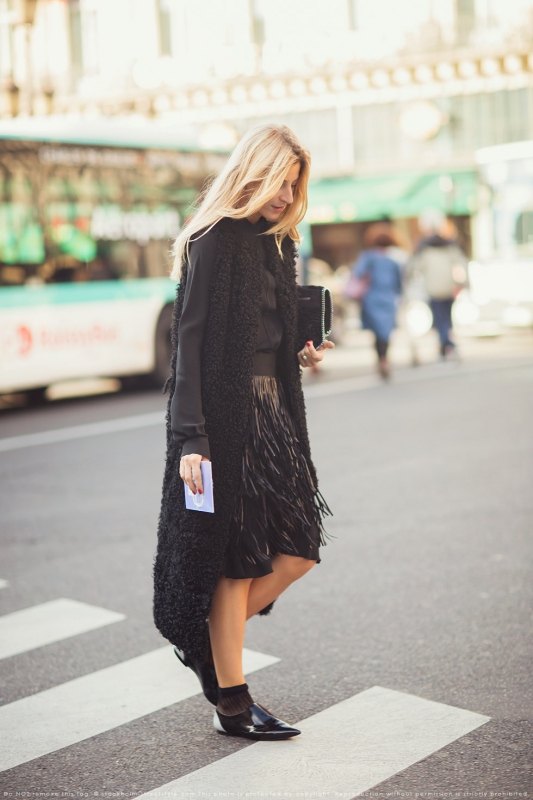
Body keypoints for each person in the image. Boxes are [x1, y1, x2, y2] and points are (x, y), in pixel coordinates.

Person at [153, 124, 334, 742]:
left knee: (298, 550)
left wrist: (300, 350)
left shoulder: (278, 244)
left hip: (274, 414)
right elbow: (189, 344)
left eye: (293, 185)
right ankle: (232, 701)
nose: (285, 195)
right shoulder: (213, 240)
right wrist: (192, 438)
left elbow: (268, 333)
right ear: (251, 171)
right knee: (236, 558)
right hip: (227, 420)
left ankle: (207, 645)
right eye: (278, 180)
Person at [408, 211, 468, 360]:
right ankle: (444, 346)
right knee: (446, 317)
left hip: (433, 288)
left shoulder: (424, 247)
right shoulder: (449, 245)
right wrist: (464, 282)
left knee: (440, 318)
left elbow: (416, 267)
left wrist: (409, 280)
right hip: (448, 286)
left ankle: (447, 345)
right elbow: (462, 262)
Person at [351, 223, 402, 379]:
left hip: (371, 299)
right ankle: (384, 358)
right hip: (388, 299)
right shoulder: (393, 261)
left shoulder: (367, 257)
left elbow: (357, 273)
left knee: (376, 332)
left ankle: (381, 359)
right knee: (385, 332)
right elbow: (399, 283)